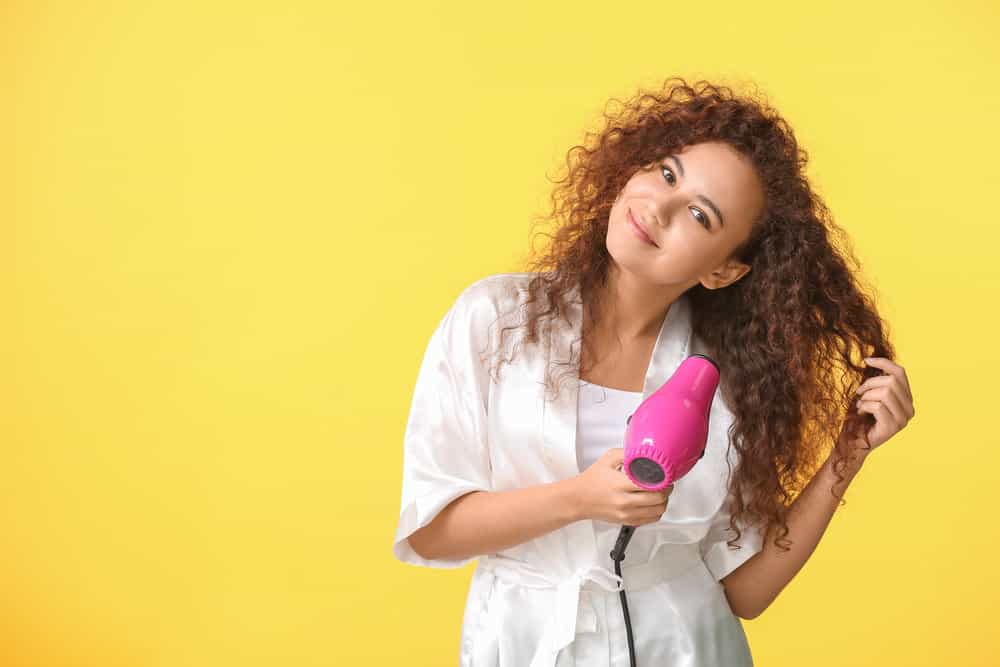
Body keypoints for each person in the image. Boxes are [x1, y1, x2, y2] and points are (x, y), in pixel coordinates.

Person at [391, 77, 916, 667]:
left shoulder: (735, 378)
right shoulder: (497, 320)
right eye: (667, 174)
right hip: (524, 643)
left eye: (699, 214)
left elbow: (746, 592)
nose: (659, 208)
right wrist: (581, 498)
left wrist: (848, 454)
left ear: (724, 271)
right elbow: (431, 531)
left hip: (687, 646)